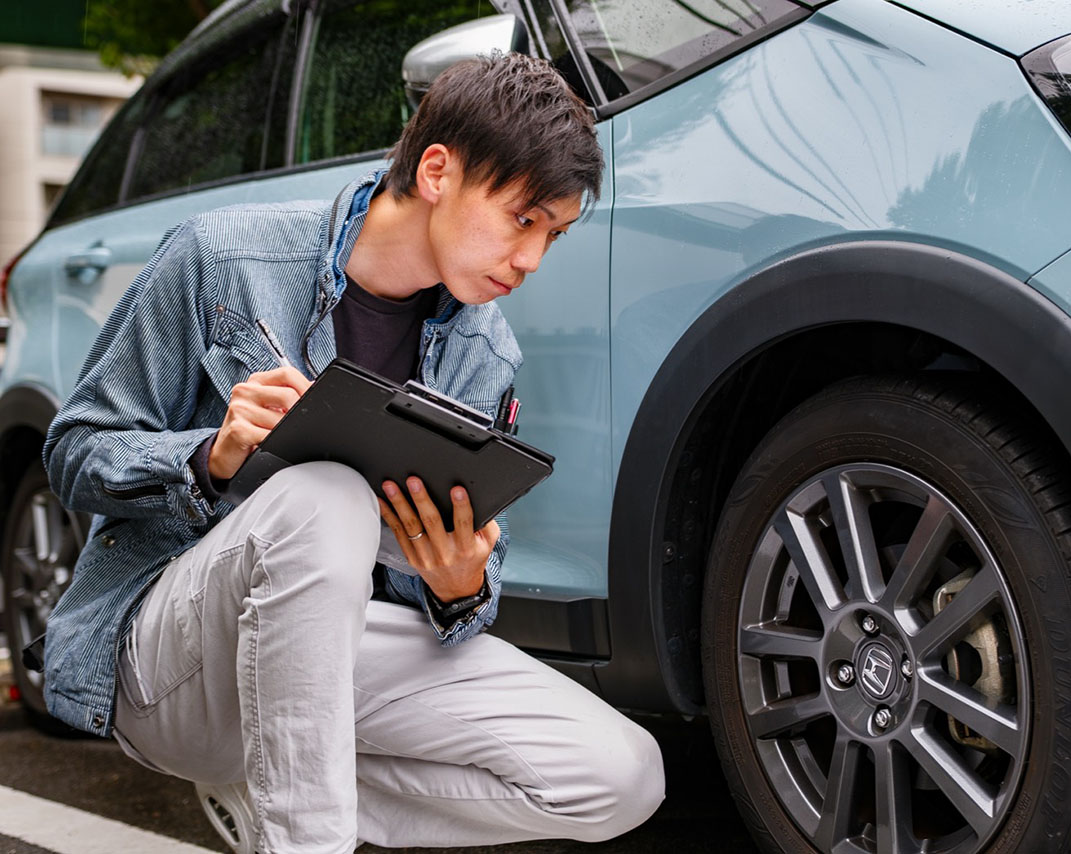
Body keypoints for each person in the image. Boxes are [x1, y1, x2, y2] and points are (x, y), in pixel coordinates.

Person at [39, 52, 665, 853]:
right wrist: (211, 456)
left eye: (555, 234)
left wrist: (461, 584)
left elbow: (470, 577)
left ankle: (280, 787)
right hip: (173, 660)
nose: (532, 258)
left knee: (621, 774)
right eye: (523, 219)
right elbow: (75, 451)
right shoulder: (221, 259)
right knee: (326, 495)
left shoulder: (486, 350)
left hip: (335, 655)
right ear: (438, 170)